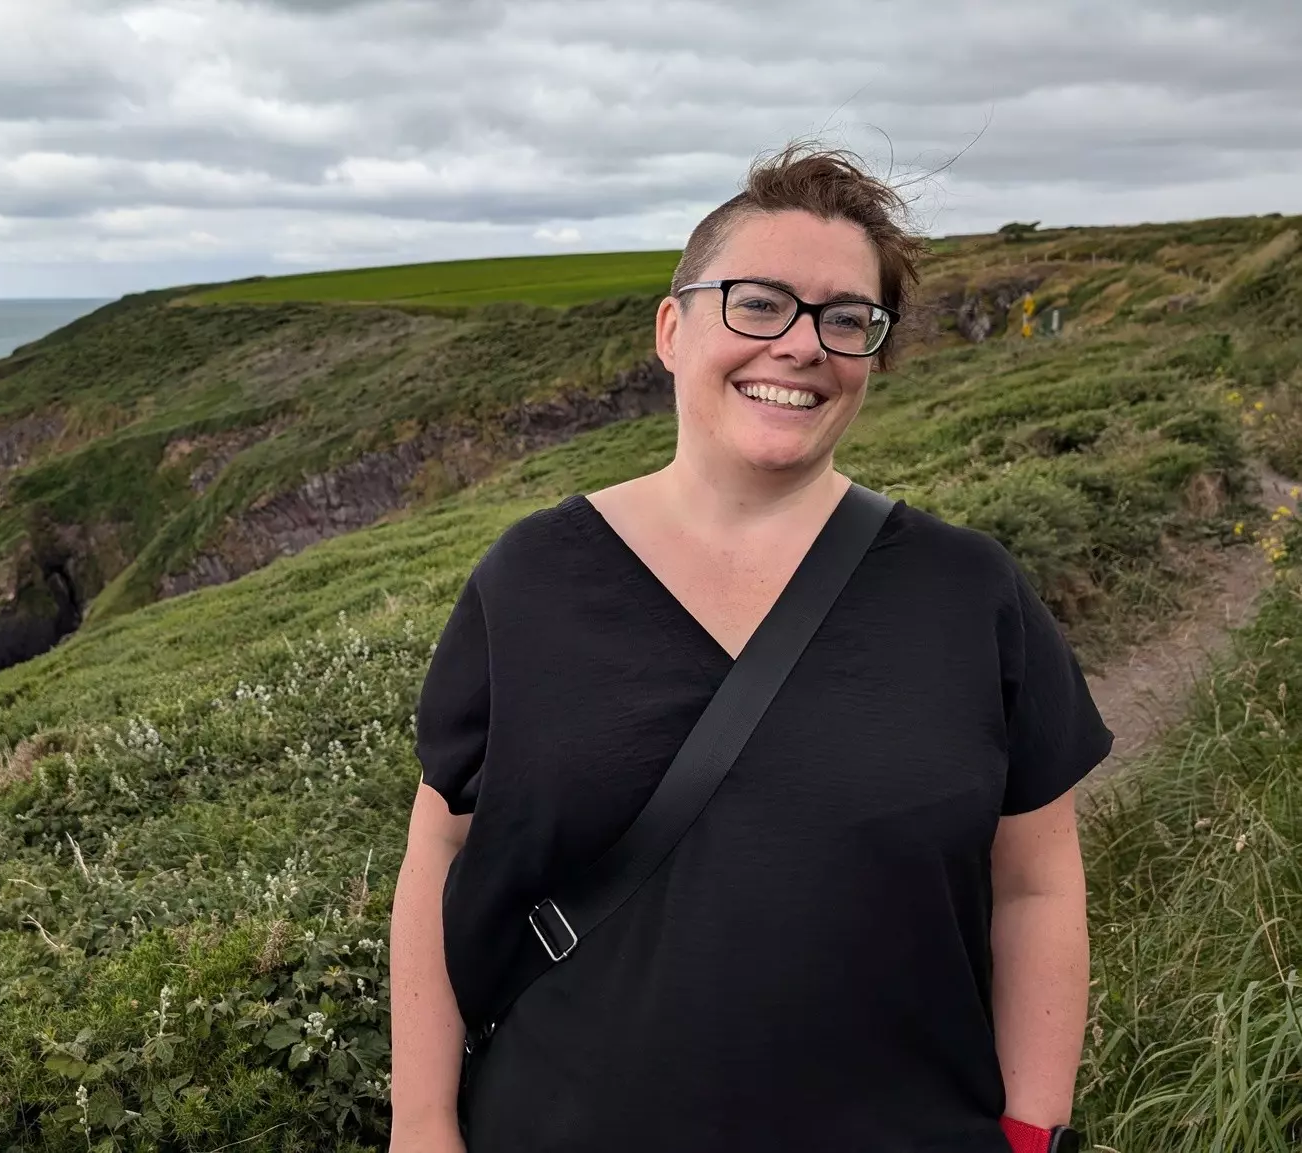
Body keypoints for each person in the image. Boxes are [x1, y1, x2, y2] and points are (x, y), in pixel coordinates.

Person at [387, 142, 1113, 1153]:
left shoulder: (968, 590)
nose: (801, 344)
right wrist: (420, 1126)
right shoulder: (531, 580)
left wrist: (1032, 1133)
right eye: (758, 303)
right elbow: (442, 847)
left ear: (871, 355)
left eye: (845, 319)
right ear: (672, 329)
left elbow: (1036, 883)